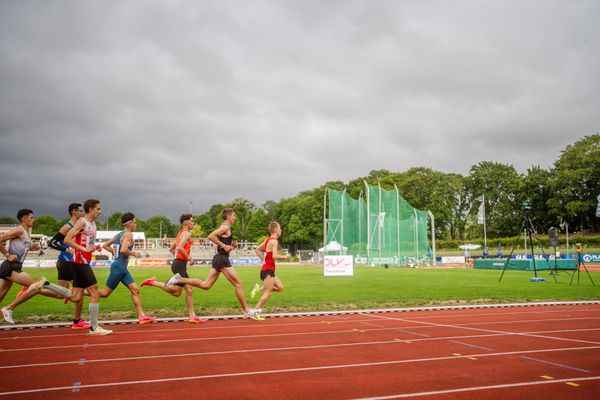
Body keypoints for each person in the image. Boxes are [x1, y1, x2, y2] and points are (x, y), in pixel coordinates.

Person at [167, 208, 261, 320]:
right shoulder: (225, 227)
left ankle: (178, 280)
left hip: (220, 258)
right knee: (238, 284)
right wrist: (223, 245)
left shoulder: (227, 228)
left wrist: (231, 247)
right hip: (221, 260)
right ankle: (247, 311)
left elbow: (224, 249)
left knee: (205, 285)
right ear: (229, 217)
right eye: (234, 216)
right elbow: (210, 236)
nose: (235, 218)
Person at [1, 209, 70, 324]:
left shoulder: (27, 232)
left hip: (13, 266)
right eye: (31, 218)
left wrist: (33, 248)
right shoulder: (19, 230)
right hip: (11, 266)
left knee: (0, 296)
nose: (34, 219)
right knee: (35, 287)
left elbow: (23, 247)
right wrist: (7, 255)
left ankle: (8, 308)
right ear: (24, 219)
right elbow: (0, 239)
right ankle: (8, 308)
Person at [140, 214, 205, 323]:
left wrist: (177, 258)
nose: (193, 223)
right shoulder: (186, 234)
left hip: (178, 264)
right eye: (192, 221)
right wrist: (189, 259)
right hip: (180, 264)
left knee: (189, 289)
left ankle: (192, 315)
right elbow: (179, 247)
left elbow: (172, 248)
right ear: (187, 223)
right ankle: (153, 282)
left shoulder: (180, 233)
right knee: (176, 292)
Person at [64, 199, 112, 335]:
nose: (100, 211)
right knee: (95, 292)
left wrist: (93, 247)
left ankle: (45, 284)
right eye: (98, 209)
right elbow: (67, 239)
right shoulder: (82, 222)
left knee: (76, 297)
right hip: (80, 261)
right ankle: (94, 328)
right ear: (91, 209)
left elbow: (87, 242)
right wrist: (83, 250)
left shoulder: (93, 224)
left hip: (83, 260)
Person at [99, 212, 156, 324]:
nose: (136, 224)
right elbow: (123, 250)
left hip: (121, 268)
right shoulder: (128, 235)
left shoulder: (119, 234)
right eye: (135, 222)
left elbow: (105, 245)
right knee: (104, 294)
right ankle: (78, 292)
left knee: (135, 289)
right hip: (119, 268)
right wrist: (134, 253)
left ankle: (142, 316)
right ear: (129, 223)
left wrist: (116, 255)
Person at [47, 203, 90, 329]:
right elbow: (52, 243)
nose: (82, 213)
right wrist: (67, 250)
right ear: (74, 212)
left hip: (67, 262)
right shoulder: (68, 226)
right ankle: (77, 321)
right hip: (68, 262)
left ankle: (35, 288)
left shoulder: (79, 225)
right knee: (80, 292)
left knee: (60, 294)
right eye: (80, 211)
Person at [249, 221, 290, 316]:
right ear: (275, 230)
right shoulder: (274, 241)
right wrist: (285, 257)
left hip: (267, 268)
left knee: (280, 288)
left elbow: (257, 250)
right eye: (279, 228)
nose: (281, 230)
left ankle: (260, 287)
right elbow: (275, 256)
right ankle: (255, 312)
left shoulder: (267, 240)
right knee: (269, 292)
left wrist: (264, 260)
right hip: (268, 270)